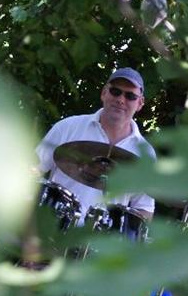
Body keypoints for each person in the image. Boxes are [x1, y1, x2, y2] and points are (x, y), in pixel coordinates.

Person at [35, 67, 155, 223]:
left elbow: (144, 209)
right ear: (104, 93)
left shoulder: (146, 154)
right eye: (115, 92)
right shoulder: (68, 127)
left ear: (140, 103)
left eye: (130, 96)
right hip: (52, 226)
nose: (121, 100)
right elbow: (32, 170)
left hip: (101, 238)